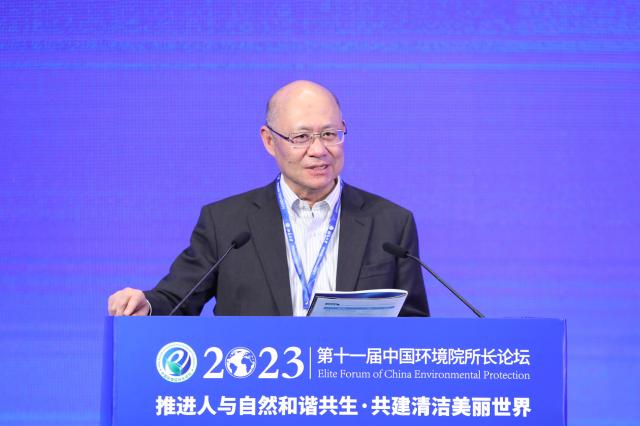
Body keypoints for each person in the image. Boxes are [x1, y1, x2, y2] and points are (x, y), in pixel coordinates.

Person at [108, 80, 429, 317]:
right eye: (301, 137)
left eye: (329, 134)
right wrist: (145, 305)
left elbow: (414, 327)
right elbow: (177, 299)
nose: (319, 150)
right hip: (257, 383)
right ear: (269, 141)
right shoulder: (227, 223)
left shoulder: (390, 224)